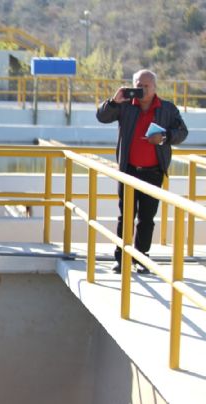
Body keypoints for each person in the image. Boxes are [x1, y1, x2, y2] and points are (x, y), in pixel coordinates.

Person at [96, 69, 188, 274]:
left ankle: (142, 257)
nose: (141, 89)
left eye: (146, 85)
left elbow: (182, 132)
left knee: (147, 217)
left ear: (155, 87)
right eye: (138, 85)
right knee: (126, 216)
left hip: (153, 172)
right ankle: (121, 258)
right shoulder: (125, 107)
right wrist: (114, 100)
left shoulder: (167, 109)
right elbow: (102, 117)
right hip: (128, 171)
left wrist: (164, 137)